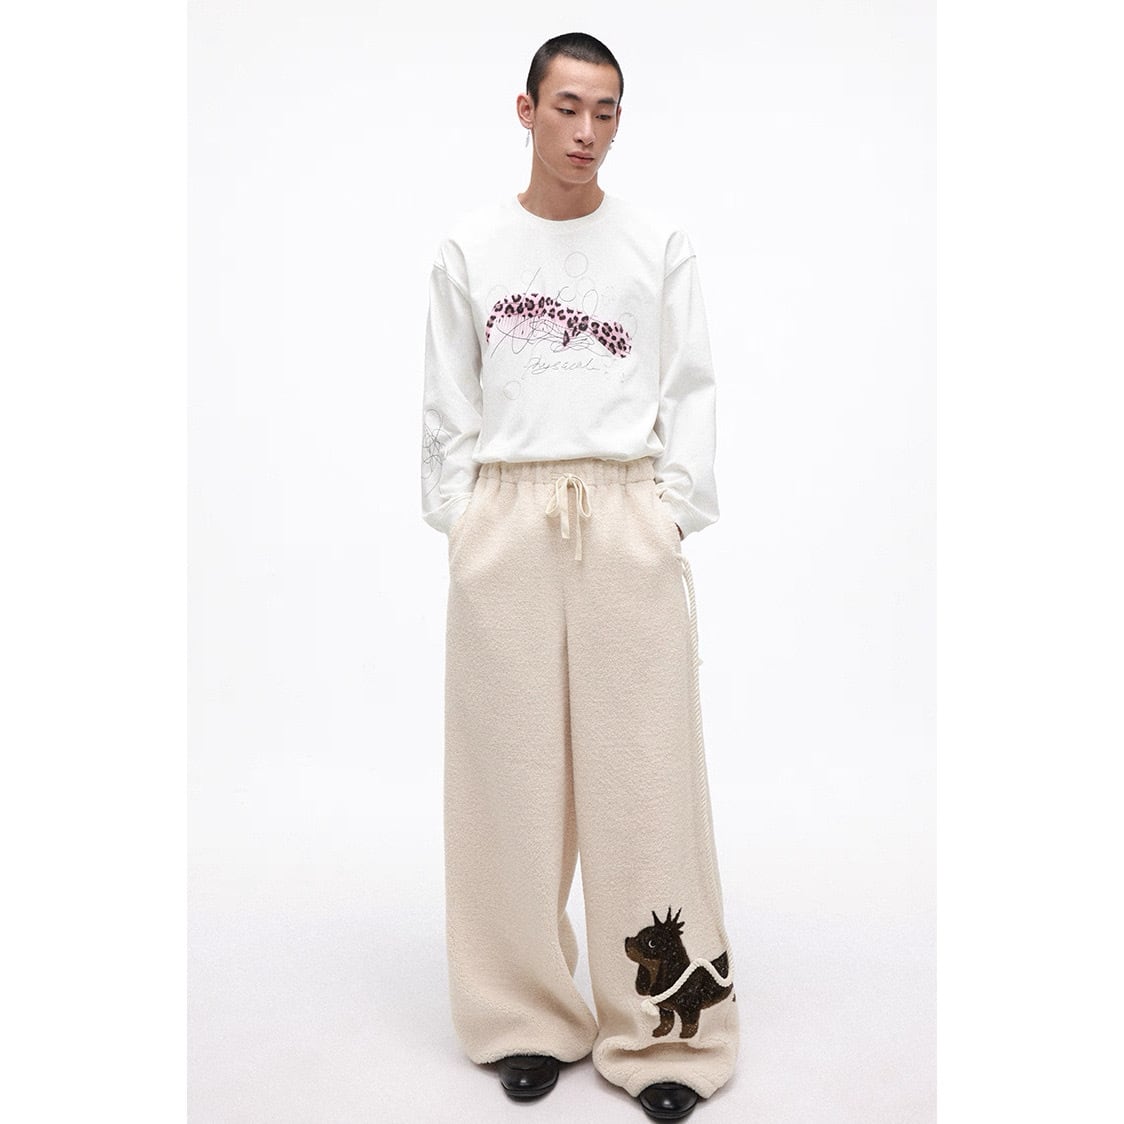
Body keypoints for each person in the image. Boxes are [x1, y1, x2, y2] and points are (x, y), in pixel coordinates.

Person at [419, 31, 739, 1122]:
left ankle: (662, 1031)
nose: (586, 132)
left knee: (644, 774)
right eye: (566, 107)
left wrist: (669, 512)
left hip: (623, 514)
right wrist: (464, 523)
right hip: (507, 519)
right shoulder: (471, 247)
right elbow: (447, 398)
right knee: (505, 783)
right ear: (525, 110)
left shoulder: (656, 244)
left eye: (605, 111)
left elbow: (691, 385)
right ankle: (523, 1016)